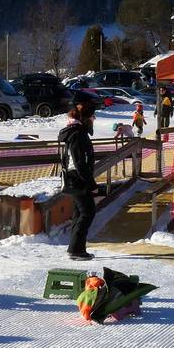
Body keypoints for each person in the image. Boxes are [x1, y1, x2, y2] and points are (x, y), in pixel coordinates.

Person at [58, 102, 98, 261]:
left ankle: (76, 249)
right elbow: (79, 162)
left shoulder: (77, 132)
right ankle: (76, 250)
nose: (94, 119)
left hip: (75, 178)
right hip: (77, 179)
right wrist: (91, 184)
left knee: (79, 213)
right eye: (93, 116)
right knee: (88, 212)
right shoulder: (77, 134)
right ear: (86, 118)